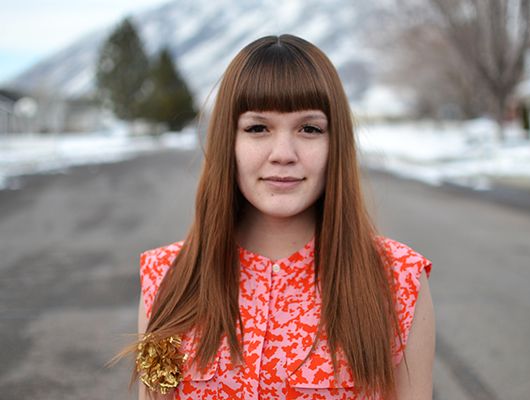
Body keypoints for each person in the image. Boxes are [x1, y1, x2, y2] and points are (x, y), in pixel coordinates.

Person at [131, 34, 435, 400]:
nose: (283, 153)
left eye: (309, 129)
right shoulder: (166, 279)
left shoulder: (399, 280)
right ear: (229, 141)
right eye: (258, 128)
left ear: (335, 142)